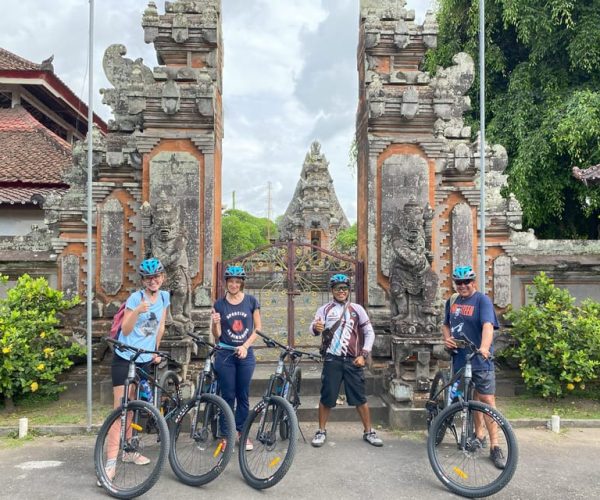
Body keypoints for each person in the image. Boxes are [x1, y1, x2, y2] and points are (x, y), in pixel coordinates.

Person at [104, 257, 170, 481]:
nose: (154, 281)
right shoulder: (136, 298)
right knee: (120, 410)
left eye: (157, 276)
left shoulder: (164, 297)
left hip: (144, 359)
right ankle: (110, 464)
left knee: (133, 407)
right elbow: (126, 328)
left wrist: (155, 351)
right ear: (143, 280)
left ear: (163, 278)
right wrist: (138, 311)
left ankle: (129, 452)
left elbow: (160, 326)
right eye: (149, 278)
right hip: (124, 357)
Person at [442, 265, 505, 469]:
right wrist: (447, 339)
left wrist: (485, 348)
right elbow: (446, 324)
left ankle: (495, 445)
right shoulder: (452, 301)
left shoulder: (482, 300)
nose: (462, 286)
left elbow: (488, 325)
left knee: (486, 400)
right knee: (469, 399)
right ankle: (479, 435)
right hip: (460, 360)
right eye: (458, 283)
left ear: (473, 282)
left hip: (480, 360)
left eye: (466, 282)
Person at [310, 273, 383, 448]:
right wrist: (315, 327)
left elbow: (369, 332)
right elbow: (313, 329)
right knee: (327, 397)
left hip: (353, 360)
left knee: (360, 398)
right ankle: (321, 431)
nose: (341, 291)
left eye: (344, 288)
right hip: (332, 360)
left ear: (348, 290)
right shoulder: (324, 309)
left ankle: (368, 431)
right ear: (332, 291)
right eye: (337, 288)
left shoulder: (357, 309)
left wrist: (363, 354)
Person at [211, 265, 261, 451]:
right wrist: (215, 324)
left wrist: (246, 346)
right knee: (228, 395)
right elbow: (217, 334)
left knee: (243, 394)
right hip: (225, 354)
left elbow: (258, 328)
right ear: (226, 283)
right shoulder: (219, 304)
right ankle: (226, 434)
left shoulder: (251, 301)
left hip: (245, 353)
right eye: (230, 281)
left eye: (237, 282)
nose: (233, 284)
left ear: (242, 283)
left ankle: (241, 432)